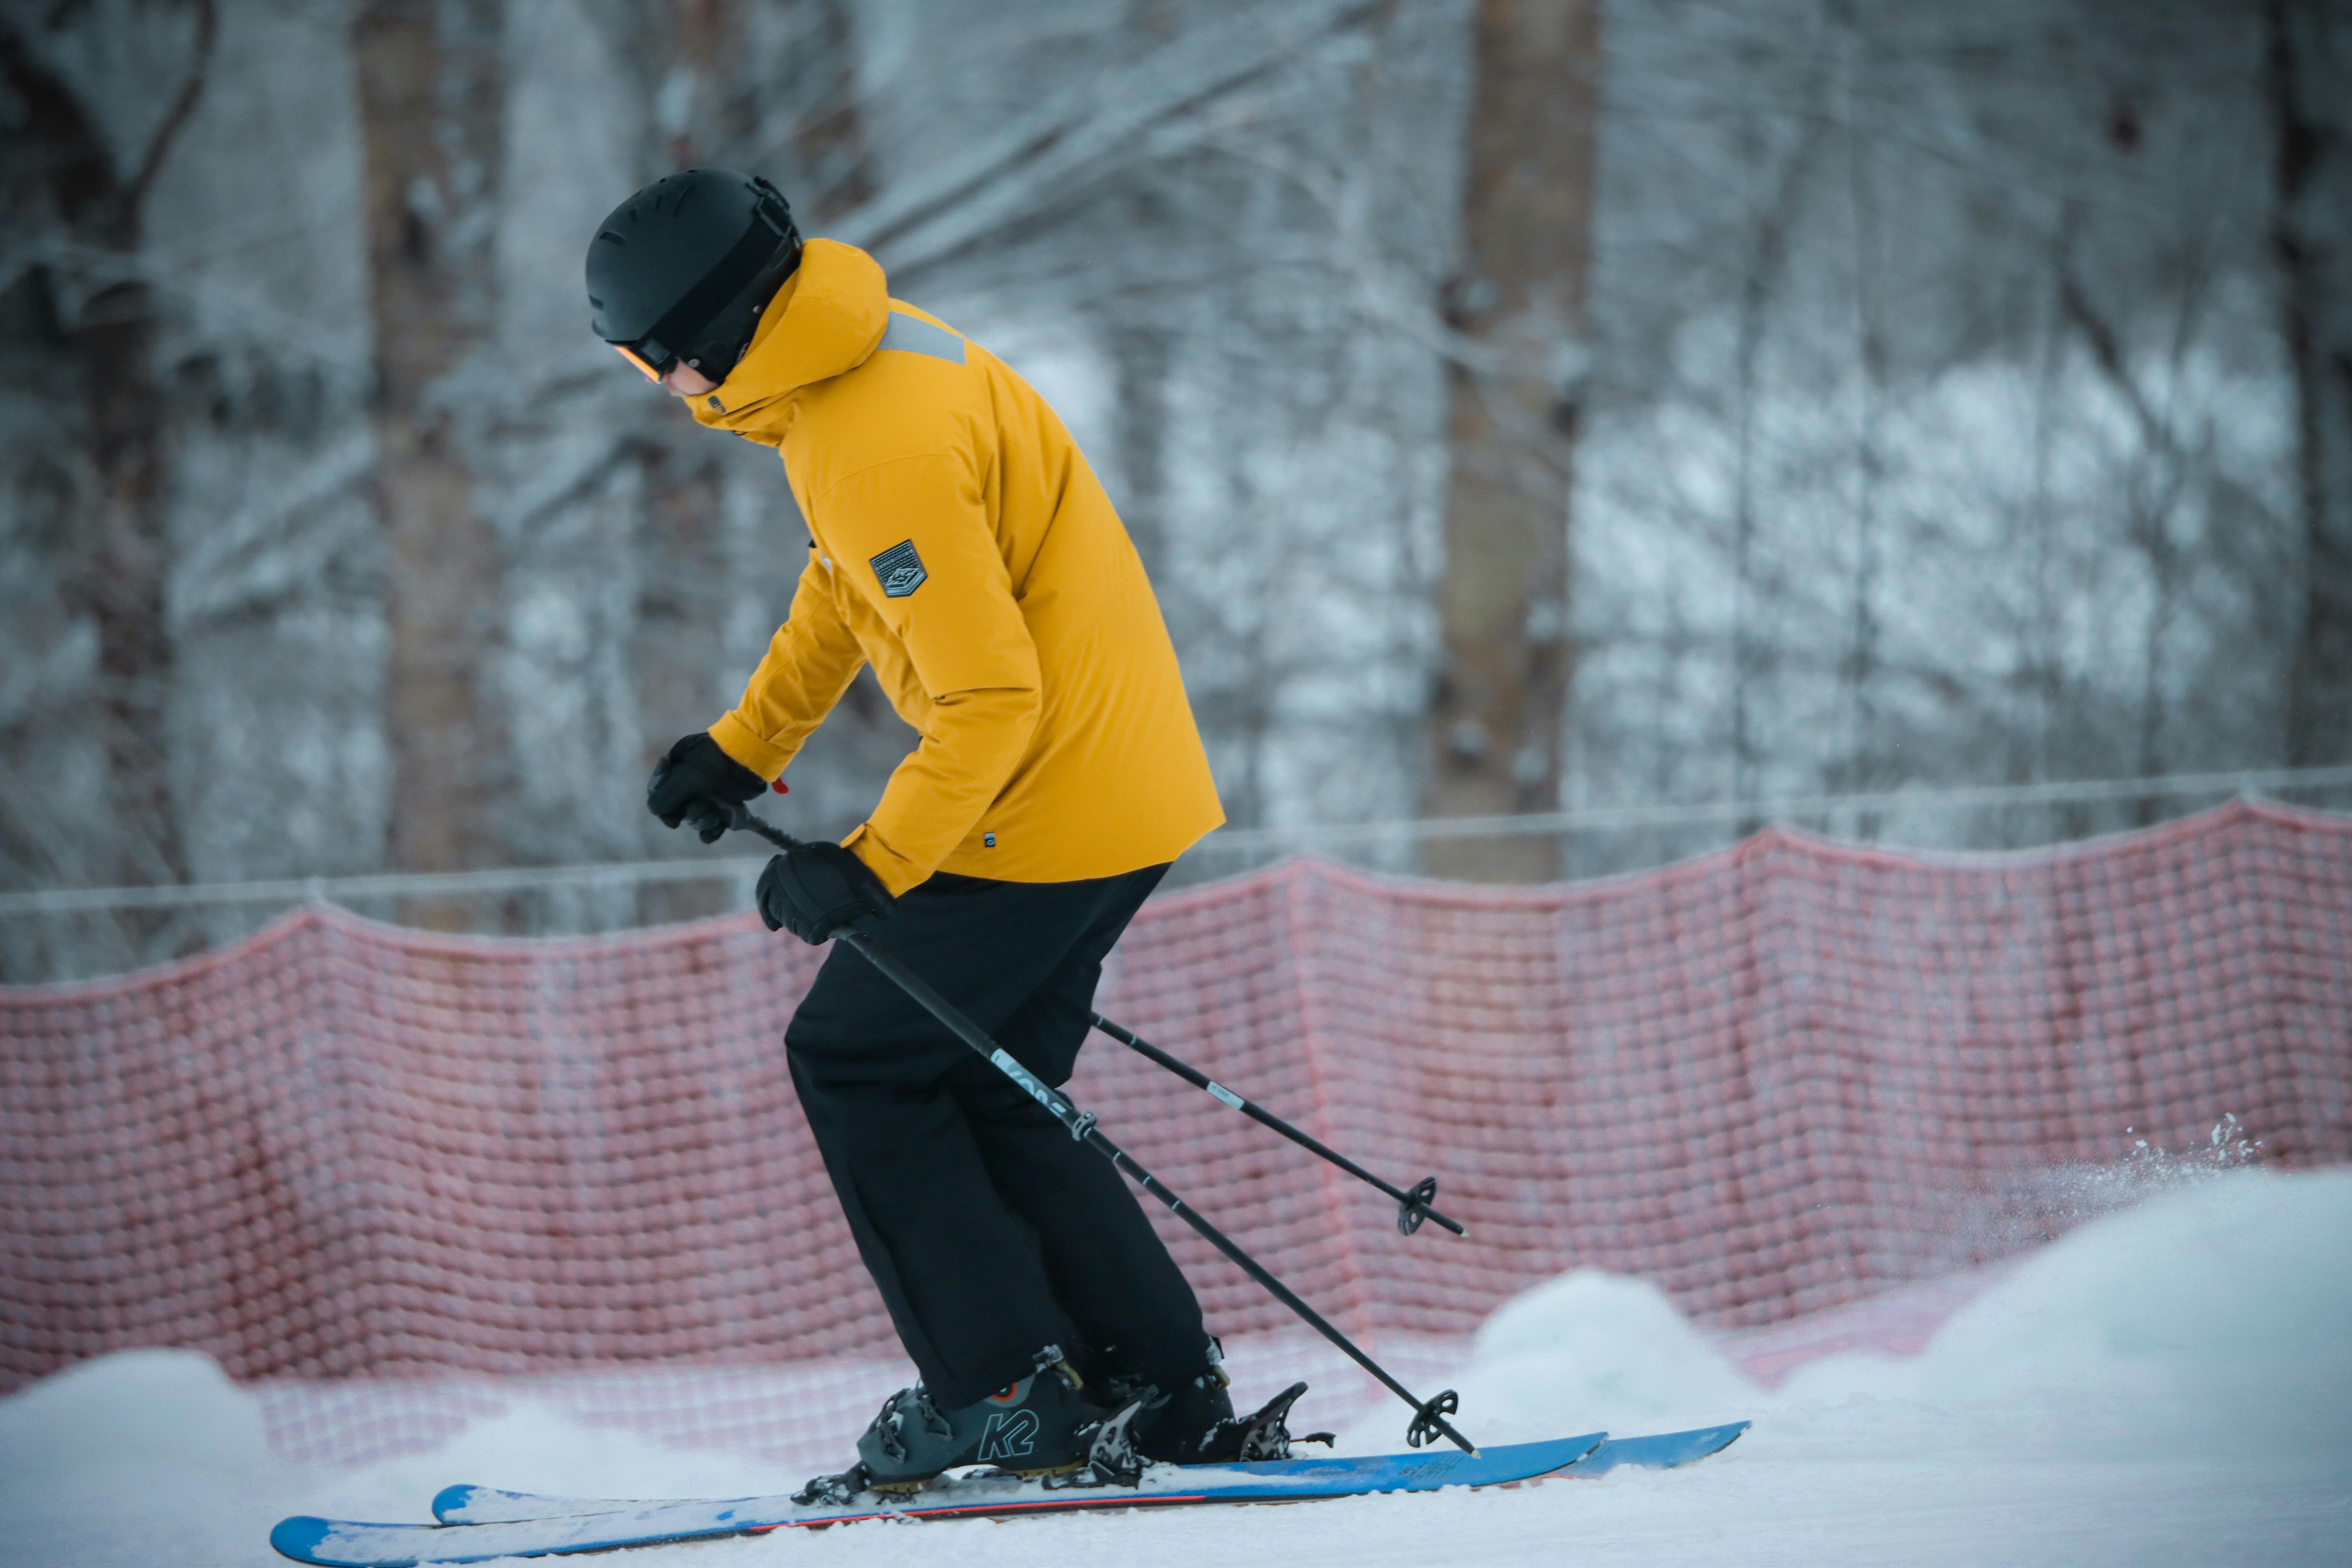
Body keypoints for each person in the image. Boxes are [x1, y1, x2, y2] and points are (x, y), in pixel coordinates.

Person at [586, 168, 1277, 1492]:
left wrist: (873, 865)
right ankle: (1157, 1383)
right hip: (1124, 786)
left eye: (650, 364)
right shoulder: (866, 359)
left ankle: (1005, 1398)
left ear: (702, 341)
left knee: (854, 1054)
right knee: (990, 1074)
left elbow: (990, 695)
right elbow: (847, 590)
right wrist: (749, 745)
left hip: (1047, 799)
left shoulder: (865, 440)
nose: (660, 390)